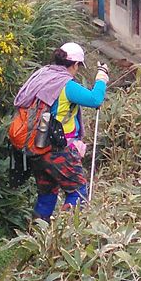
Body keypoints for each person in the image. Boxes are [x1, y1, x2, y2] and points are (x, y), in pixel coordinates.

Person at [12, 41, 107, 223]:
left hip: (37, 148)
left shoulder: (43, 75)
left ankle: (37, 237)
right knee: (78, 190)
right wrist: (102, 78)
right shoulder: (66, 84)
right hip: (57, 150)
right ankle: (66, 234)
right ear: (75, 64)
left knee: (47, 194)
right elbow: (95, 99)